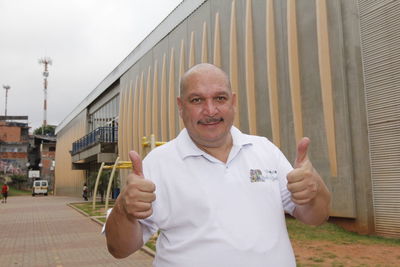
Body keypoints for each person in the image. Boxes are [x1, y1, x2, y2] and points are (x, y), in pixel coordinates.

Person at [105, 63, 331, 266]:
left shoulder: (265, 149)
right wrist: (124, 210)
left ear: (232, 102)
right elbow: (119, 249)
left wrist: (315, 190)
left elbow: (315, 217)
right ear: (181, 106)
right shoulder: (157, 163)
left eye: (220, 99)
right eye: (197, 100)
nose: (210, 110)